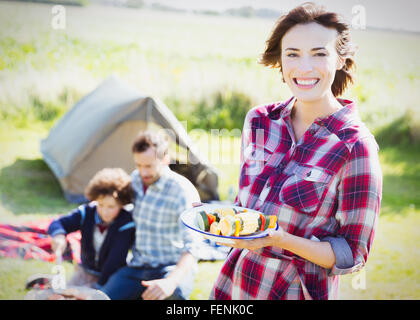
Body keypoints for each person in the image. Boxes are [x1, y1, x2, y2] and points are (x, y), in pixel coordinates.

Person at [209, 3, 383, 300]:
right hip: (233, 287)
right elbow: (244, 202)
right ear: (279, 60)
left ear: (341, 60)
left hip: (295, 291)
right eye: (292, 54)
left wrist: (280, 240)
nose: (304, 68)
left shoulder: (356, 146)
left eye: (319, 53)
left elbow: (352, 254)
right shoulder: (259, 121)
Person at [100, 130, 200, 300]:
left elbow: (194, 246)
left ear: (165, 160)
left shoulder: (182, 191)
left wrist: (170, 281)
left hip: (170, 267)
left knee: (176, 294)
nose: (143, 172)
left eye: (149, 166)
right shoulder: (136, 180)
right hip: (137, 266)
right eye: (138, 165)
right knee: (103, 297)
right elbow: (110, 202)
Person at [48, 168, 135, 289]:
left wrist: (96, 286)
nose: (105, 211)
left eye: (111, 206)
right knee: (64, 294)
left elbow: (114, 261)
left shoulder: (126, 223)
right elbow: (58, 223)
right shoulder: (86, 212)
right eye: (101, 204)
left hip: (112, 276)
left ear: (122, 203)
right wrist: (59, 235)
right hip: (85, 271)